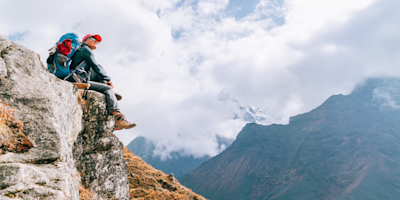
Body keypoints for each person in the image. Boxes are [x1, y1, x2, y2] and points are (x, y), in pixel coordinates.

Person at [69, 34, 136, 130]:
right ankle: (117, 118)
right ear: (85, 41)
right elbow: (95, 67)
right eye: (93, 39)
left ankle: (106, 88)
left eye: (98, 41)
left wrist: (105, 80)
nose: (96, 41)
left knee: (101, 67)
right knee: (107, 88)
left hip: (78, 76)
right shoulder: (85, 50)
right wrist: (108, 80)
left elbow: (97, 68)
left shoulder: (82, 50)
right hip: (78, 80)